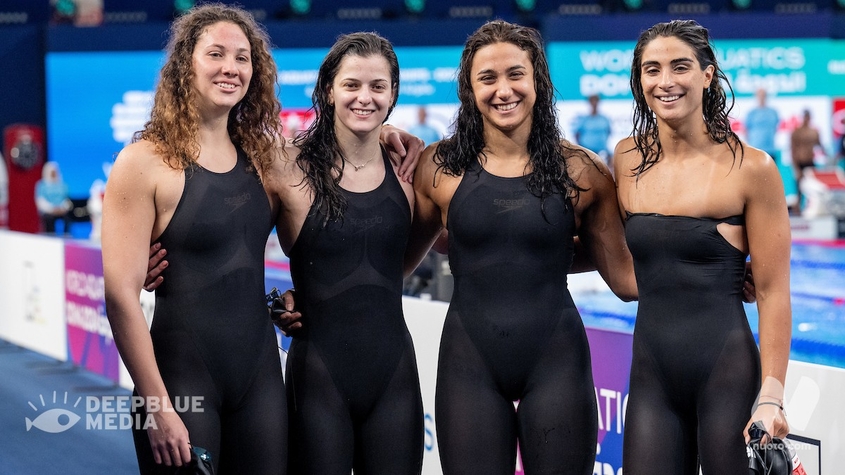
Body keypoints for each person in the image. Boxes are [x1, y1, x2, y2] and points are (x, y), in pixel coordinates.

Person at [404, 20, 636, 474]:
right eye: (487, 78)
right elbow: (394, 263)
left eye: (516, 74)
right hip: (469, 365)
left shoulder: (583, 171)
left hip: (556, 362)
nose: (503, 90)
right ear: (469, 89)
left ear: (538, 81)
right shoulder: (439, 167)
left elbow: (625, 280)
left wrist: (722, 270)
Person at [102, 5, 291, 473]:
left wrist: (387, 132)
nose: (231, 67)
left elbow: (342, 150)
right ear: (186, 65)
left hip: (261, 383)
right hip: (180, 383)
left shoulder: (267, 158)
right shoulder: (144, 162)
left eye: (243, 58)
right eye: (216, 54)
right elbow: (120, 296)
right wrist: (157, 407)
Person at [612, 19, 791, 474]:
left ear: (707, 75)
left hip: (725, 376)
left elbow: (772, 291)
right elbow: (625, 261)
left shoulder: (751, 169)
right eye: (652, 69)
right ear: (639, 80)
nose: (665, 81)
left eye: (680, 67)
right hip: (651, 379)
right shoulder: (626, 158)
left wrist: (771, 396)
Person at [273, 32, 424, 474]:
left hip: (395, 380)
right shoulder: (286, 168)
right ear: (328, 90)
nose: (365, 97)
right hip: (317, 380)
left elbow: (403, 262)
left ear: (393, 94)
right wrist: (273, 303)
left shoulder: (410, 169)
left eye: (378, 86)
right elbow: (226, 240)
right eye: (351, 85)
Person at [791, 109, 824, 213]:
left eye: (808, 117)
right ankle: (797, 210)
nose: (806, 119)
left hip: (810, 162)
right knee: (799, 189)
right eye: (805, 117)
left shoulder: (814, 132)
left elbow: (820, 145)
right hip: (800, 162)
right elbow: (793, 150)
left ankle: (811, 208)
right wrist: (796, 168)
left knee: (813, 188)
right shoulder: (797, 132)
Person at [572, 94, 612, 167]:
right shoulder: (584, 119)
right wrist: (581, 149)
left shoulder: (604, 119)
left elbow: (609, 132)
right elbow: (577, 134)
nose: (594, 103)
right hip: (587, 151)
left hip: (602, 151)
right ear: (589, 103)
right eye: (592, 101)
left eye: (596, 101)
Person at [34, 161, 73, 234]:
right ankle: (50, 236)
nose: (53, 174)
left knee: (68, 217)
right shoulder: (42, 185)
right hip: (48, 211)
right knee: (49, 219)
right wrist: (52, 209)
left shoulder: (63, 185)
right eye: (52, 172)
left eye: (55, 172)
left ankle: (67, 235)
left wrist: (62, 208)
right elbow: (41, 201)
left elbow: (67, 199)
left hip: (61, 210)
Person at [745, 87, 781, 162]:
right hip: (755, 149)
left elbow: (776, 128)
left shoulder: (773, 112)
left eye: (763, 95)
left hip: (770, 149)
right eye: (760, 95)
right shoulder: (752, 113)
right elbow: (746, 130)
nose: (761, 97)